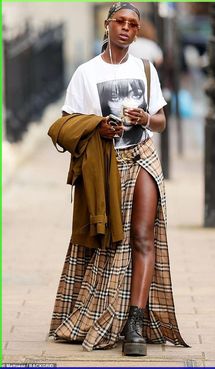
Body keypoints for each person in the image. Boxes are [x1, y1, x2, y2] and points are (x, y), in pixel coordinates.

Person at [48, 2, 189, 356]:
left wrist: (144, 118)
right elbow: (67, 121)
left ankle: (136, 322)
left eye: (133, 24)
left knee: (143, 234)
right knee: (110, 240)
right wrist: (98, 126)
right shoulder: (86, 72)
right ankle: (97, 310)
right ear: (108, 26)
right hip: (106, 164)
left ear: (137, 32)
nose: (126, 28)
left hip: (143, 156)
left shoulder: (144, 70)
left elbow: (161, 121)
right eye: (120, 22)